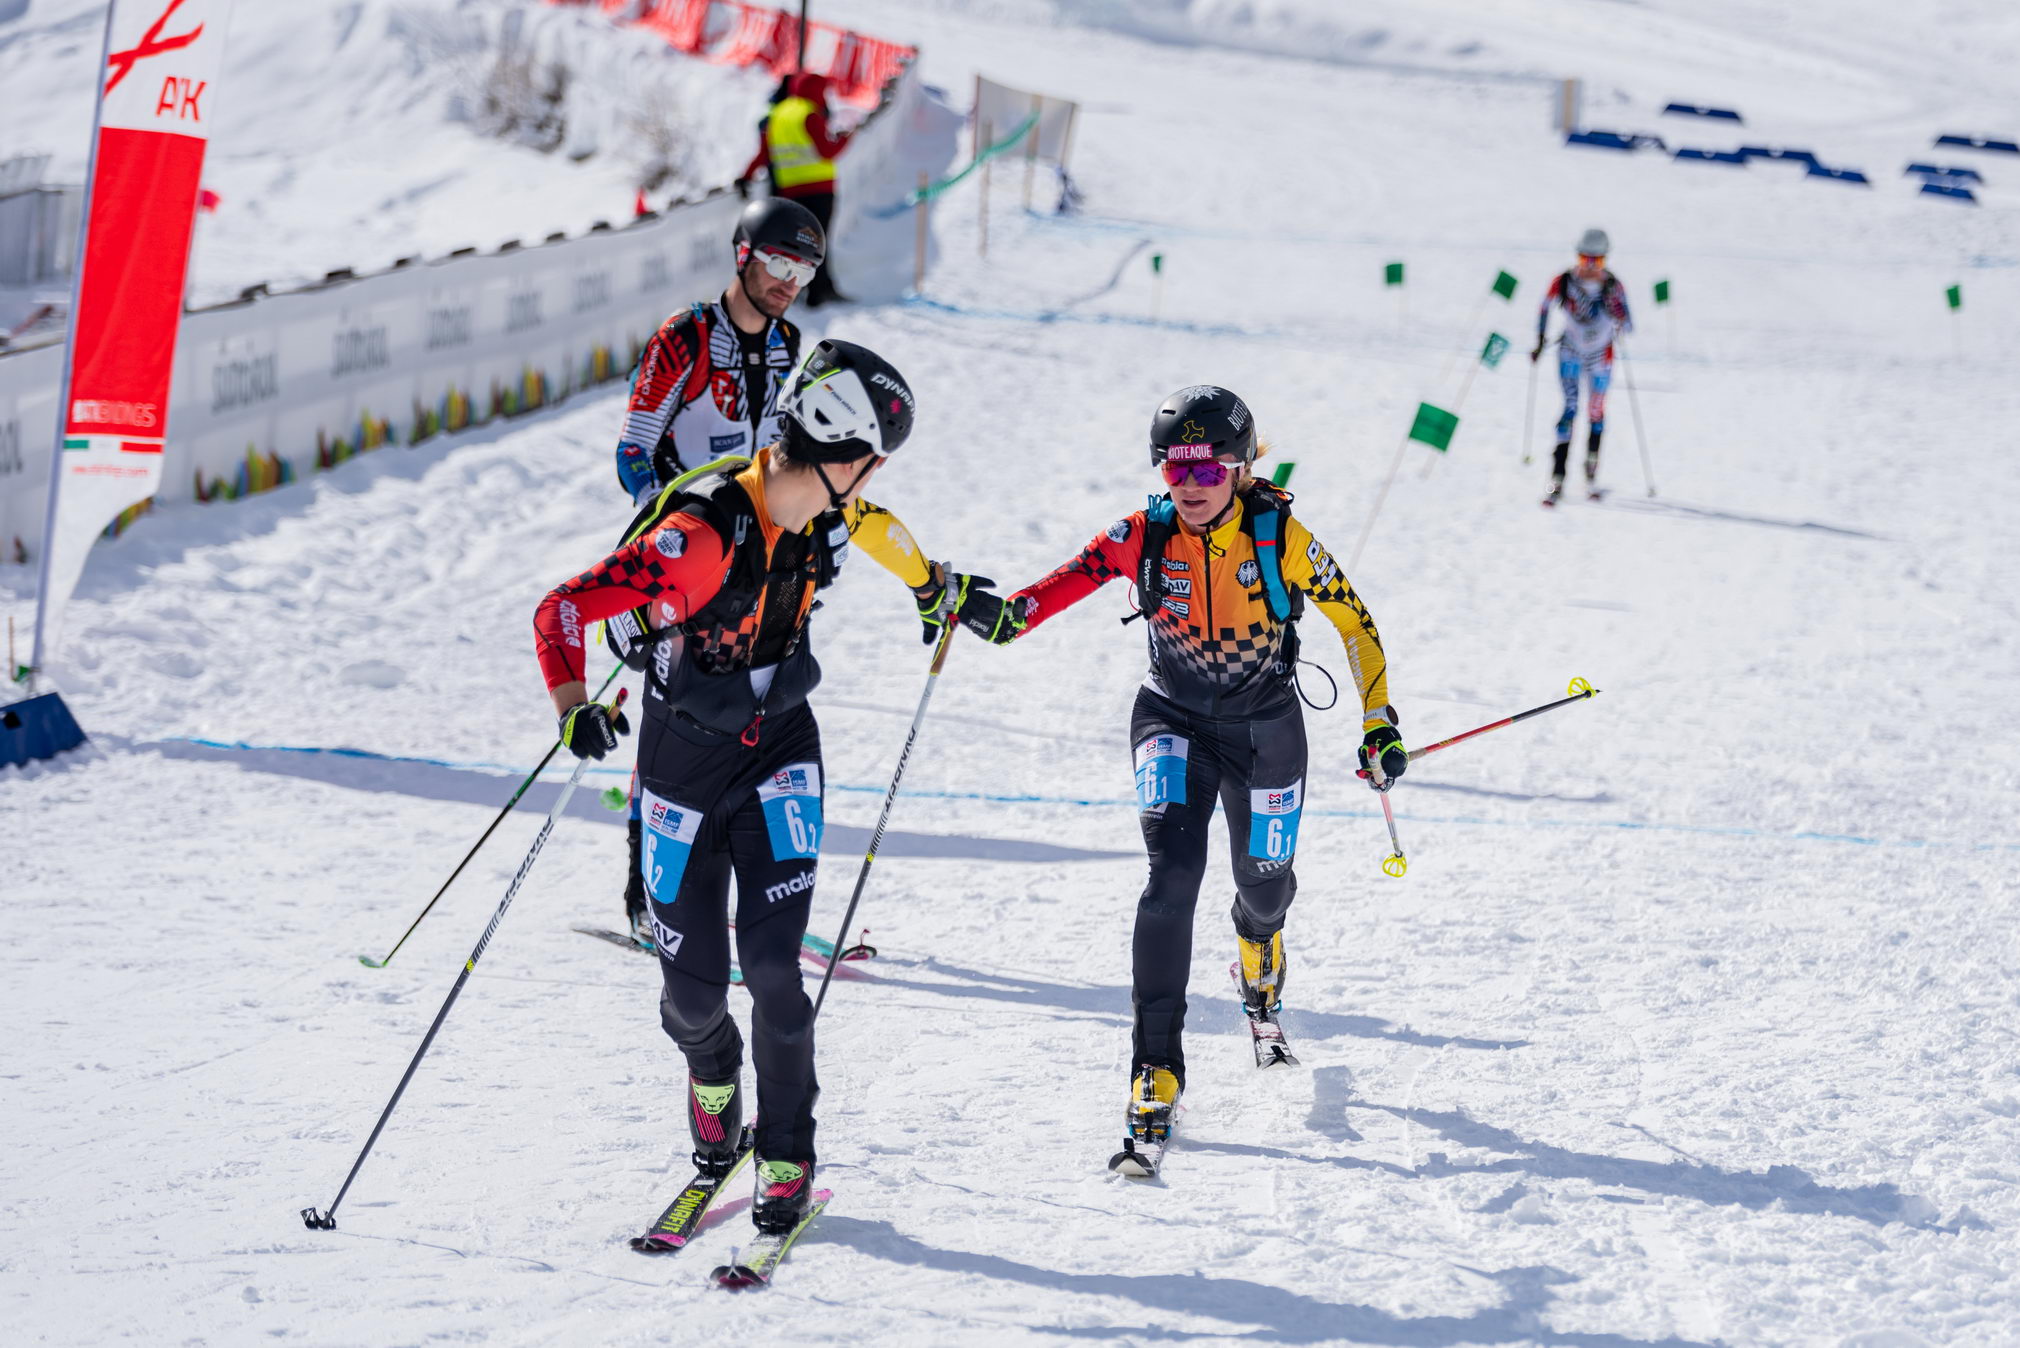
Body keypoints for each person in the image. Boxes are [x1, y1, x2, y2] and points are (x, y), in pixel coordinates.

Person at [535, 339, 994, 1232]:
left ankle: (787, 1150)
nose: (872, 480)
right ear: (834, 448)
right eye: (871, 460)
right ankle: (714, 1079)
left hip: (780, 749)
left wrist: (938, 590)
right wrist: (570, 707)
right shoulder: (698, 537)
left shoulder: (829, 514)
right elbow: (560, 609)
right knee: (693, 995)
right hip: (680, 764)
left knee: (777, 969)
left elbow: (890, 538)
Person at [950, 385, 1404, 1151]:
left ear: (1241, 467)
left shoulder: (1279, 535)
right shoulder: (1144, 533)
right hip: (1171, 719)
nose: (1190, 485)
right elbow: (1046, 593)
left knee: (1265, 887)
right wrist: (985, 612)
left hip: (1267, 732)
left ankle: (1260, 954)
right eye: (1175, 468)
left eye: (1208, 468)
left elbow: (1354, 620)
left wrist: (1378, 719)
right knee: (1170, 877)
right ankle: (1155, 1065)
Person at [610, 196, 829, 943]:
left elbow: (789, 455)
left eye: (802, 268)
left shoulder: (789, 342)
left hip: (763, 556)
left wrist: (813, 530)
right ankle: (649, 891)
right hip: (688, 548)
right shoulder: (687, 335)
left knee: (760, 707)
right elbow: (633, 450)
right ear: (743, 254)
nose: (787, 280)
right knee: (671, 713)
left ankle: (751, 889)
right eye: (777, 262)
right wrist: (672, 523)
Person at [1531, 227, 1632, 503]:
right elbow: (1543, 307)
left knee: (1596, 411)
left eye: (1596, 261)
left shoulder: (1612, 285)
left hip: (1601, 356)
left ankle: (1590, 474)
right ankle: (1558, 477)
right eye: (1585, 259)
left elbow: (1628, 323)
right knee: (1570, 408)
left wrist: (1616, 311)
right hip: (1571, 352)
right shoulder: (1564, 281)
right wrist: (1539, 340)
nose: (1589, 266)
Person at [739, 73, 850, 308]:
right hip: (819, 189)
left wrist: (746, 176)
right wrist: (845, 139)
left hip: (791, 191)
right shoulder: (809, 114)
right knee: (819, 244)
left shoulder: (778, 113)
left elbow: (764, 153)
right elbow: (827, 151)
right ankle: (819, 293)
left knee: (798, 246)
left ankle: (796, 290)